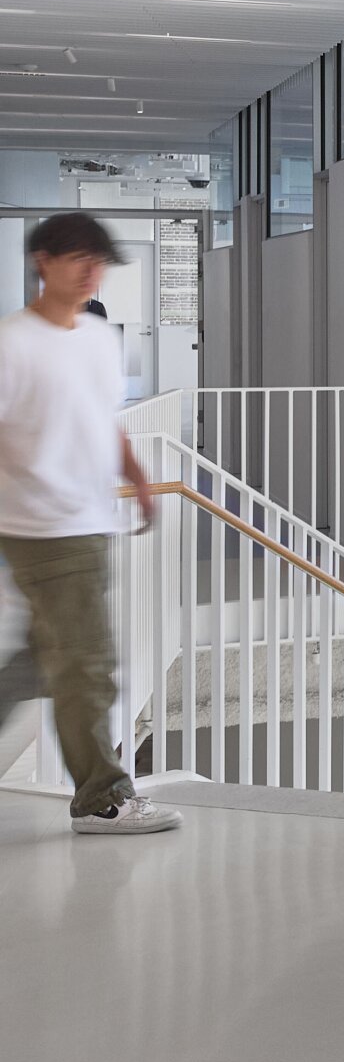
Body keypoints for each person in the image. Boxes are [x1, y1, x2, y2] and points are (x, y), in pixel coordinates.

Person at [0, 213, 179, 834]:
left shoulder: (99, 338)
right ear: (42, 261)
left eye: (98, 261)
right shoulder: (12, 342)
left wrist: (139, 479)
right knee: (85, 662)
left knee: (38, 660)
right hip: (41, 525)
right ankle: (102, 797)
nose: (90, 271)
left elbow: (104, 418)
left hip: (88, 517)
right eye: (78, 258)